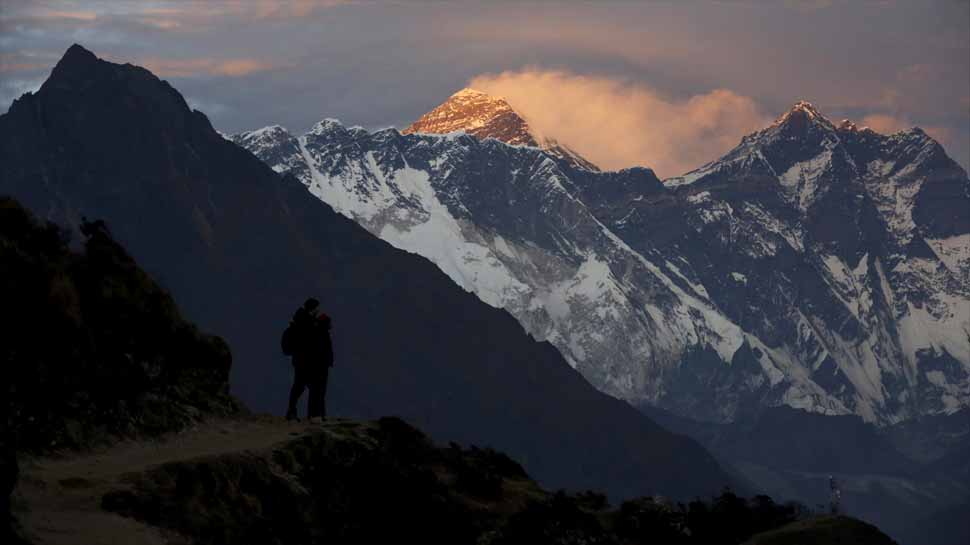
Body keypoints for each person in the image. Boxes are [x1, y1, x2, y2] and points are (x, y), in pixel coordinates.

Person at [283, 298, 334, 422]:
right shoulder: (306, 321)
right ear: (314, 308)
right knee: (306, 387)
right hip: (306, 361)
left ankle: (305, 414)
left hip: (304, 360)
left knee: (303, 387)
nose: (318, 310)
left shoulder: (303, 320)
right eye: (317, 307)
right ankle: (311, 414)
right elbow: (312, 343)